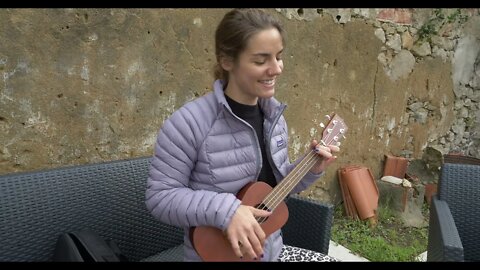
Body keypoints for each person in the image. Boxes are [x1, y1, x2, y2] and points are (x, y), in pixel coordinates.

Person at [145, 8, 340, 262]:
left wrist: (312, 168)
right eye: (261, 60)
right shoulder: (188, 123)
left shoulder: (275, 119)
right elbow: (160, 198)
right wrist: (228, 211)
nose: (276, 69)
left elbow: (275, 193)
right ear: (227, 61)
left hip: (271, 251)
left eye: (279, 57)